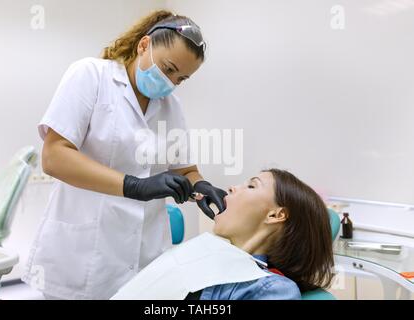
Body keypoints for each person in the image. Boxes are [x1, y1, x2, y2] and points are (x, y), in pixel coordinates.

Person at [23, 10, 227, 300]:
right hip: (82, 259)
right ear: (144, 45)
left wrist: (200, 186)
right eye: (168, 69)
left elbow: (185, 170)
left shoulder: (172, 107)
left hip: (145, 262)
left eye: (180, 79)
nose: (170, 83)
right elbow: (55, 156)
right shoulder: (91, 75)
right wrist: (134, 186)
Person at [184, 169, 334, 300]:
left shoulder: (275, 289)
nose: (231, 188)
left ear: (275, 215)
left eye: (251, 186)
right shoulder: (209, 259)